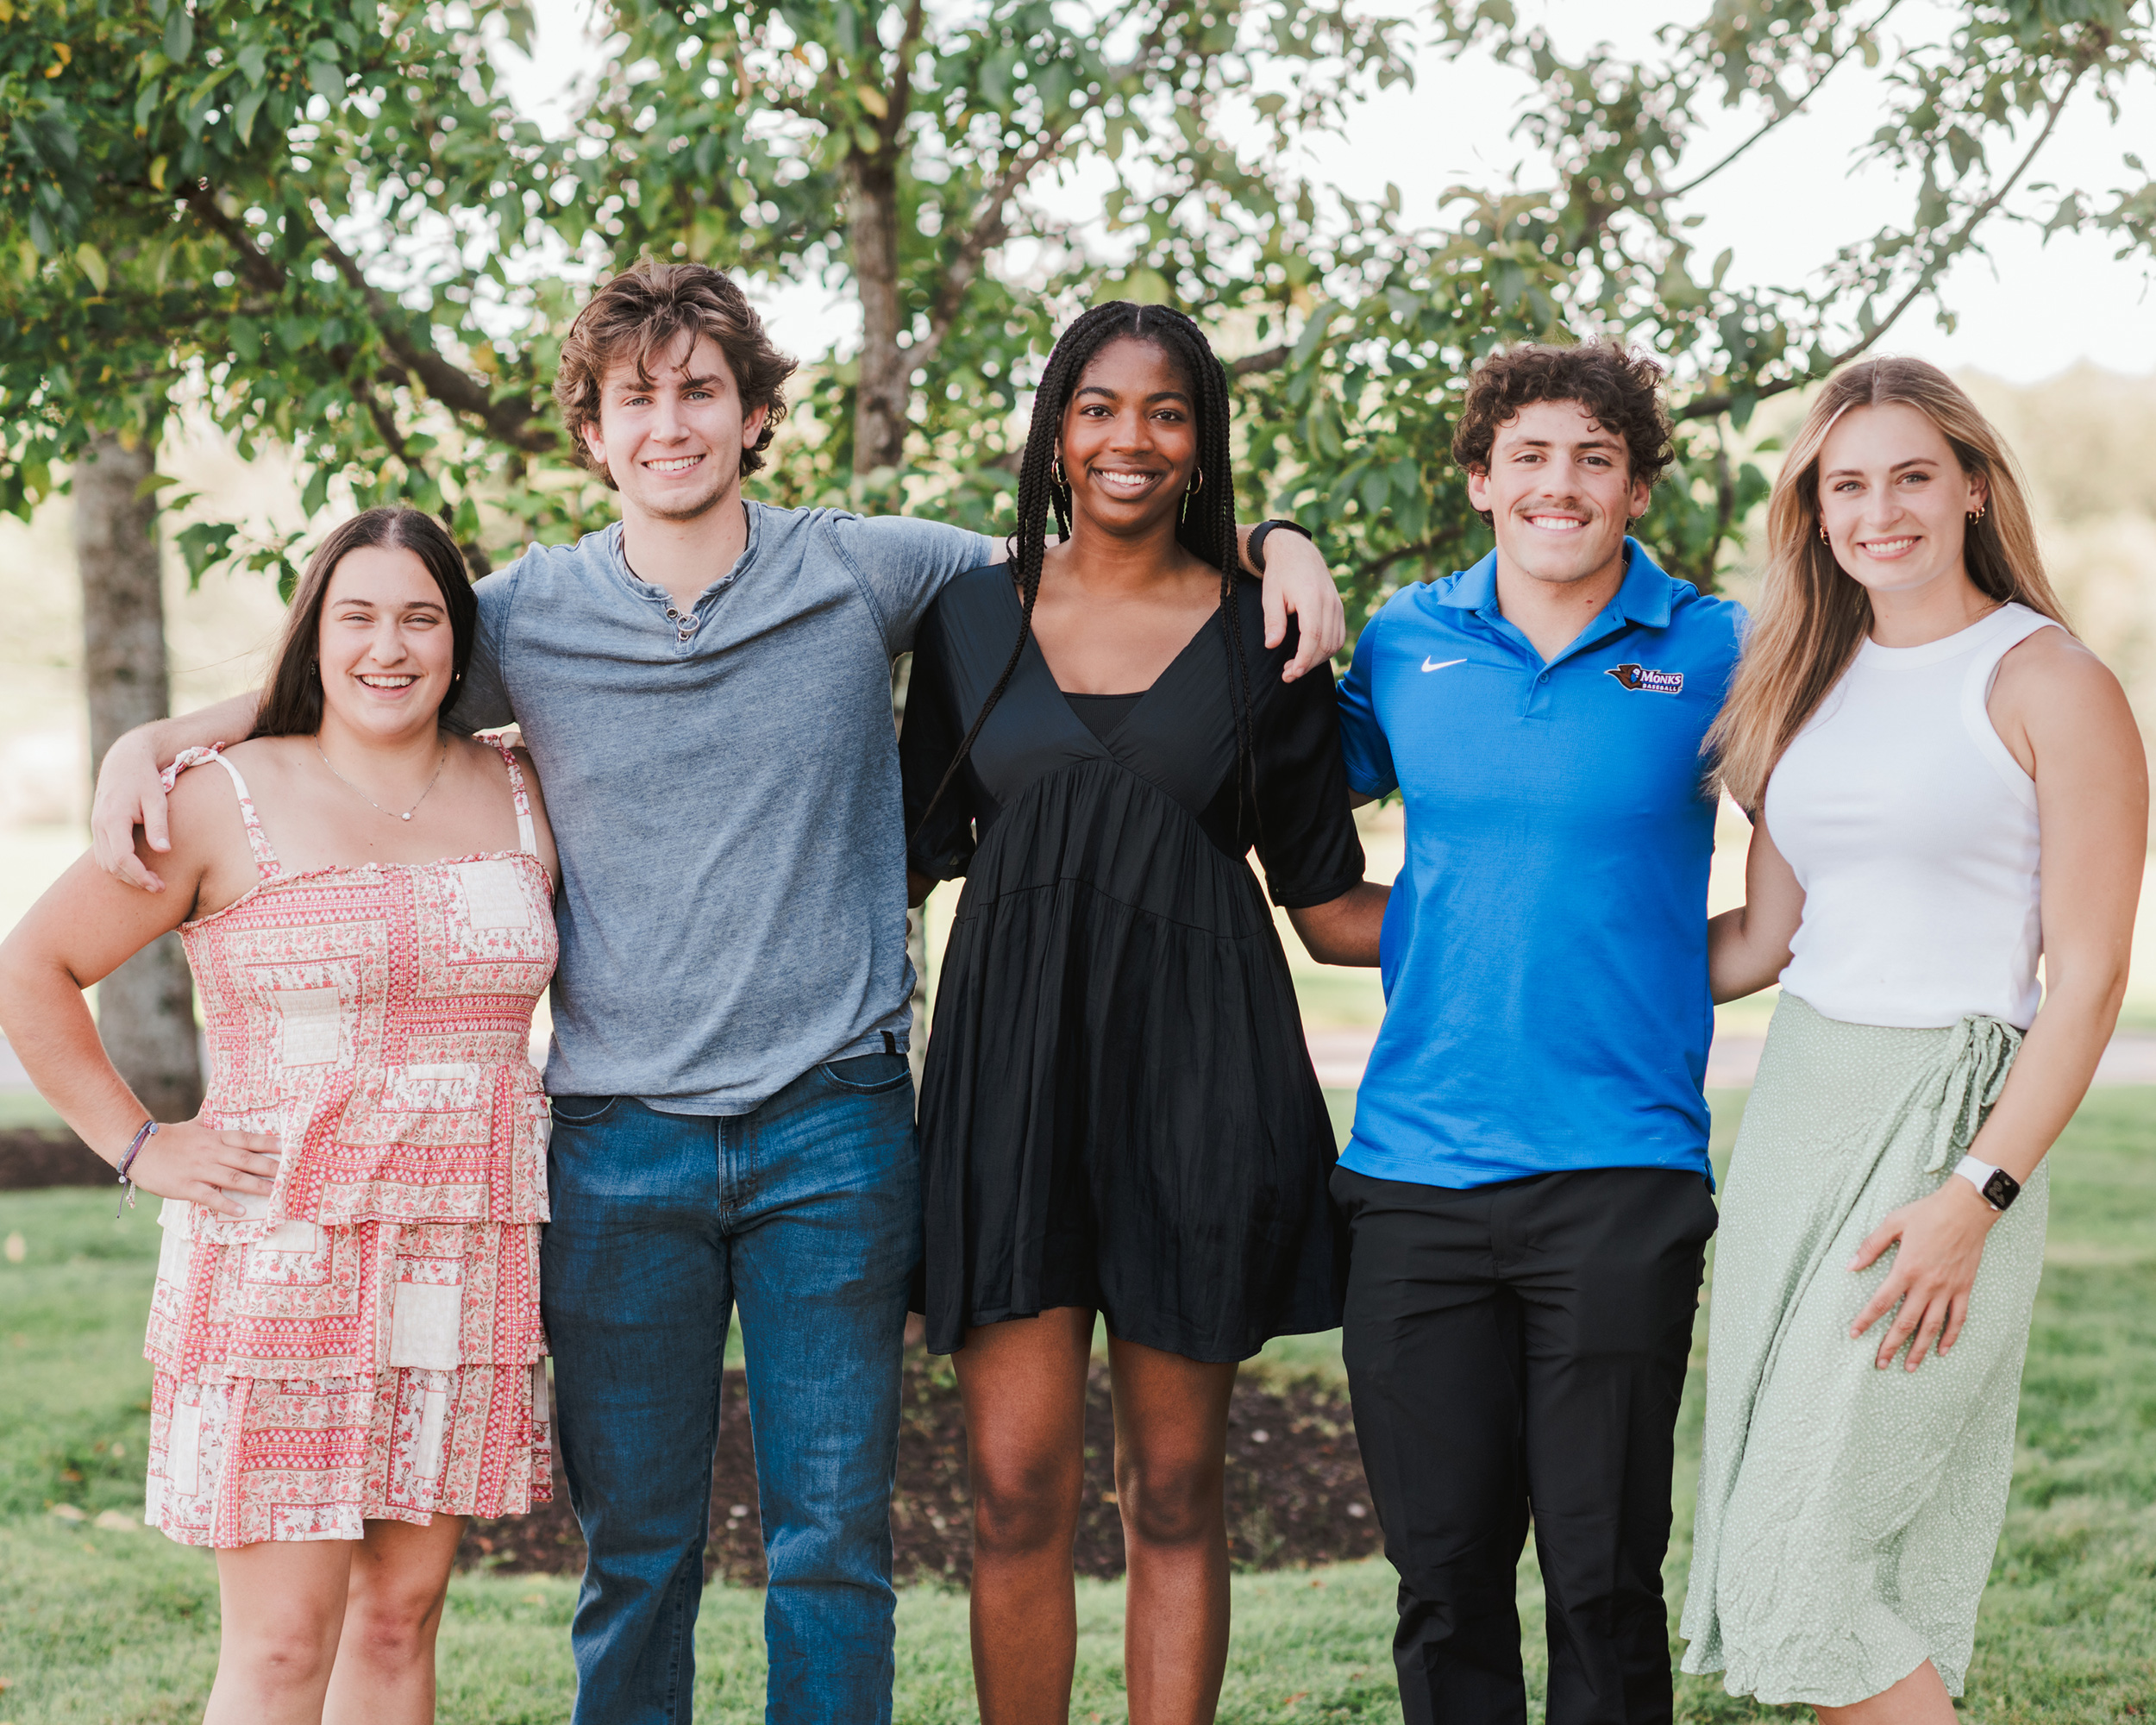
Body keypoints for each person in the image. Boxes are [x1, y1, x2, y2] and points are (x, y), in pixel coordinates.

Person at [87, 262, 1346, 1725]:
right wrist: (157, 740)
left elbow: (1098, 530)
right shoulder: (529, 615)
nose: (671, 422)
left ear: (755, 415)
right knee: (639, 1555)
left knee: (834, 1551)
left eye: (701, 390)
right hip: (622, 1141)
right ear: (594, 432)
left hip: (836, 1124)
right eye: (639, 398)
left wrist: (1279, 535)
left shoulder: (875, 571)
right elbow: (364, 657)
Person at [899, 301, 1387, 1725]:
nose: (1131, 438)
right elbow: (896, 851)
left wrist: (1538, 937)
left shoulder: (1266, 630)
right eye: (1100, 407)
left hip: (1202, 1088)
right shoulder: (969, 614)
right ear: (1056, 429)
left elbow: (1324, 893)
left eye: (1166, 412)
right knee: (1010, 1487)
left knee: (1174, 1488)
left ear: (1202, 442)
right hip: (1011, 1093)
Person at [0, 507, 561, 1725]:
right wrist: (140, 1145)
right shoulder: (218, 799)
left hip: (457, 1269)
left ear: (462, 644)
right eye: (356, 616)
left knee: (399, 1623)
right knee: (281, 1650)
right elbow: (29, 968)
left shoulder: (521, 785)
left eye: (421, 617)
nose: (389, 647)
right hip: (281, 1270)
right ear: (315, 632)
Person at [1680, 359, 2144, 1720]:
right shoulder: (1801, 684)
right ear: (1815, 512)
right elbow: (1764, 945)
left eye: (1912, 476)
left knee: (1807, 1562)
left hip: (1948, 1128)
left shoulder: (2049, 679)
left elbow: (2094, 979)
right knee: (1807, 1548)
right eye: (1848, 485)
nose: (1880, 510)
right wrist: (1546, 956)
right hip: (1800, 1113)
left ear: (1973, 487)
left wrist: (1976, 1195)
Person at [1328, 342, 1744, 1725]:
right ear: (1479, 479)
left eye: (1594, 458)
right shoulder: (1403, 640)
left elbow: (1805, 874)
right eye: (1530, 455)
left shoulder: (1715, 646)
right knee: (1443, 1581)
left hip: (1622, 1177)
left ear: (1636, 486)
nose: (1559, 484)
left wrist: (1652, 972)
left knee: (1603, 1576)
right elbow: (1294, 836)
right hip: (1414, 1181)